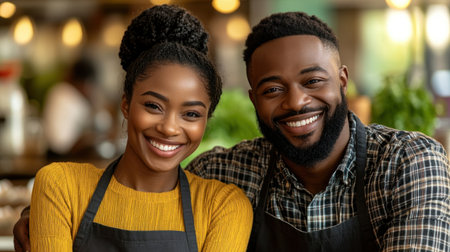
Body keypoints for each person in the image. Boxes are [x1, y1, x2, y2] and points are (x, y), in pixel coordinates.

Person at [14, 9, 450, 252]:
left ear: (342, 79)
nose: (296, 101)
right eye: (272, 88)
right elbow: (145, 185)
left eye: (313, 81)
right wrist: (49, 211)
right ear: (253, 98)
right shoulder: (232, 175)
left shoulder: (406, 163)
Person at [18, 4, 253, 252]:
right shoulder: (60, 187)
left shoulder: (223, 206)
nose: (169, 128)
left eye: (191, 114)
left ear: (207, 120)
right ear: (126, 104)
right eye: (153, 106)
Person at [42, 57, 99, 157]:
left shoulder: (56, 90)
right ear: (85, 83)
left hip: (49, 153)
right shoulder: (71, 96)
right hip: (62, 155)